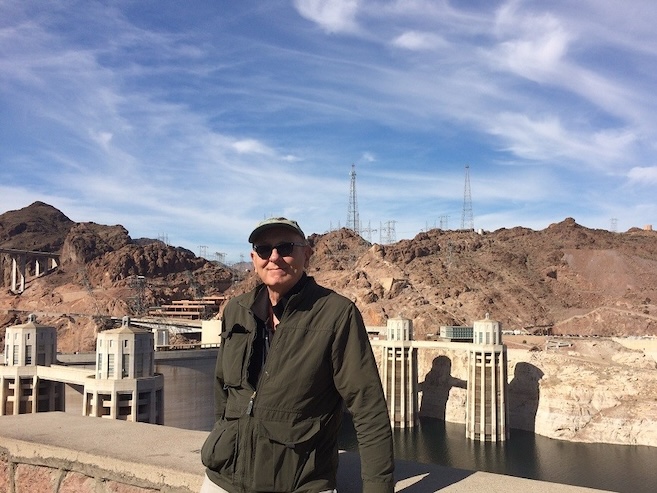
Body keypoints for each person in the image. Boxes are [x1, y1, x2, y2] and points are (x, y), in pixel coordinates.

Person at [201, 217, 394, 493]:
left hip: (299, 484)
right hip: (223, 480)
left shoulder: (336, 315)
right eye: (265, 250)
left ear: (306, 254)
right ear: (254, 258)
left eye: (286, 247)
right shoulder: (236, 311)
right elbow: (223, 390)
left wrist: (378, 488)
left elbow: (368, 410)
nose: (275, 257)